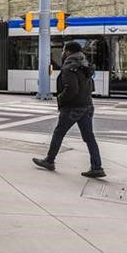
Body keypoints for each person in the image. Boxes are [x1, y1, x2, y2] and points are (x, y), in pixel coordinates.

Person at [32, 41, 105, 178]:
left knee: (59, 133)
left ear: (69, 52)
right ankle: (97, 167)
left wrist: (60, 99)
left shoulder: (69, 68)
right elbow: (90, 87)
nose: (63, 53)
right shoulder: (84, 64)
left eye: (64, 50)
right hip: (87, 105)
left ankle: (49, 160)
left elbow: (71, 89)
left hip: (73, 107)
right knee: (89, 138)